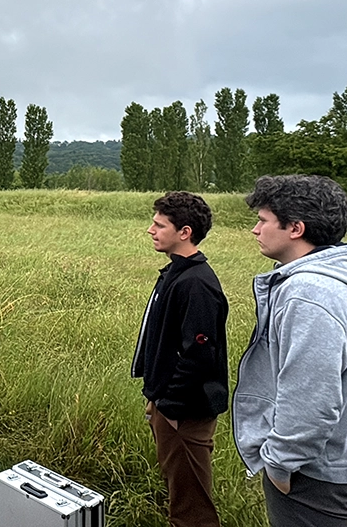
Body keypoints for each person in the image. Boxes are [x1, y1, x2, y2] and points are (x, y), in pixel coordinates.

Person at [235, 175, 347, 527]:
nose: (255, 229)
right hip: (327, 465)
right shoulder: (329, 279)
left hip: (314, 474)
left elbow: (311, 398)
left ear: (295, 228)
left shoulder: (310, 294)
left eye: (264, 220)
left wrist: (280, 464)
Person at [131, 191, 229, 527]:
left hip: (184, 413)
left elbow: (200, 356)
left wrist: (169, 404)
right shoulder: (176, 273)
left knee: (191, 509)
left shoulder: (196, 284)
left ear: (184, 232)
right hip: (168, 405)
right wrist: (155, 397)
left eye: (159, 225)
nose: (151, 230)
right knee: (180, 493)